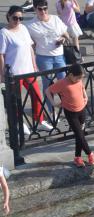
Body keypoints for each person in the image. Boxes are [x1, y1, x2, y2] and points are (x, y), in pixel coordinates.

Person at [0, 5, 53, 133]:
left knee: (36, 95)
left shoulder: (23, 28)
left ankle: (39, 121)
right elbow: (1, 54)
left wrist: (34, 65)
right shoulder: (4, 33)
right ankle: (20, 124)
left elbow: (30, 47)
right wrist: (2, 73)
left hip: (28, 70)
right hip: (14, 73)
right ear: (9, 16)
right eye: (15, 18)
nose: (18, 20)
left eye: (20, 18)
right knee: (16, 101)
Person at [26, 0, 70, 121]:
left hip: (59, 56)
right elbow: (29, 43)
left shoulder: (55, 19)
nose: (43, 11)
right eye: (40, 9)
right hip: (44, 58)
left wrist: (63, 39)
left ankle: (67, 108)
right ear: (34, 9)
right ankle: (52, 112)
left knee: (64, 83)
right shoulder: (30, 25)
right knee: (48, 85)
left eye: (45, 8)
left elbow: (66, 34)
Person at [45, 64, 94, 167]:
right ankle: (90, 153)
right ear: (71, 75)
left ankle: (77, 157)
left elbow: (82, 88)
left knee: (80, 135)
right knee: (80, 134)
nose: (78, 80)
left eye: (80, 78)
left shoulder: (79, 80)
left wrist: (85, 97)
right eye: (77, 78)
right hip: (70, 112)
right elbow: (48, 91)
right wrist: (54, 103)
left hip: (82, 110)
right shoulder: (62, 83)